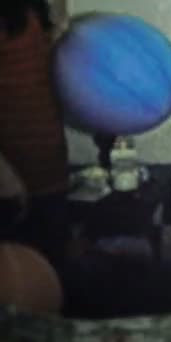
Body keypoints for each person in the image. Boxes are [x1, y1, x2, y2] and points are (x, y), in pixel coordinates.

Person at [0, 0, 70, 268]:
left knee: (55, 285)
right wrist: (5, 179)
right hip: (11, 188)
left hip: (49, 174)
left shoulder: (32, 7)